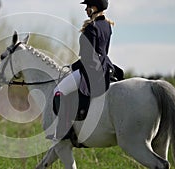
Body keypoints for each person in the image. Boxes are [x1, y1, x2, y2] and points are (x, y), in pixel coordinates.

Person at [53, 0, 116, 140]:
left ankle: (65, 131)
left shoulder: (91, 27)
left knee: (59, 90)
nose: (86, 9)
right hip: (105, 66)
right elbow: (102, 51)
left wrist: (72, 67)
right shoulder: (107, 25)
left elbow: (88, 56)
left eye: (88, 6)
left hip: (91, 68)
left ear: (95, 8)